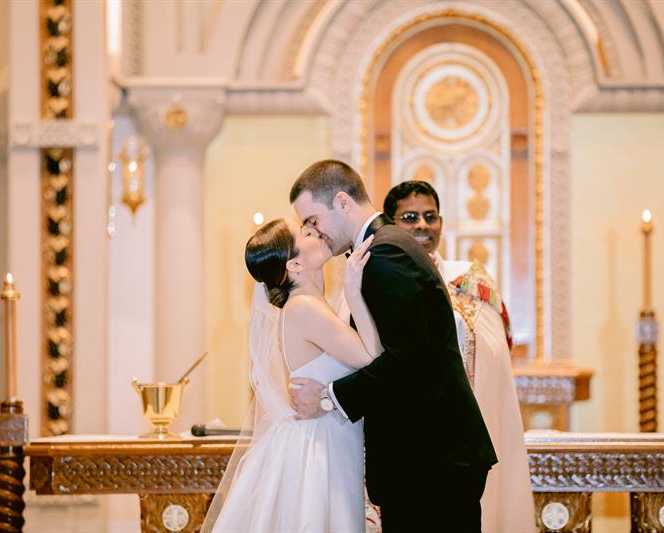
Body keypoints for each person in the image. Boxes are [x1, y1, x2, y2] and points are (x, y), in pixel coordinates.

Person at [289, 160, 497, 532]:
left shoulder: (387, 255)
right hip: (427, 457)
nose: (313, 233)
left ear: (341, 201)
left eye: (312, 220)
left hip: (431, 461)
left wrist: (328, 398)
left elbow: (407, 360)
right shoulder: (383, 248)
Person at [202, 218, 380, 532]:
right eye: (307, 233)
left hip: (326, 437)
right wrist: (354, 291)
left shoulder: (309, 306)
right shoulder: (304, 309)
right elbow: (370, 357)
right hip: (319, 447)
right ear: (295, 263)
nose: (318, 232)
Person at [383, 180, 535, 533]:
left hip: (461, 443)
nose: (422, 224)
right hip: (404, 442)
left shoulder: (469, 279)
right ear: (391, 225)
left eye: (430, 216)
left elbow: (494, 351)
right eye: (410, 216)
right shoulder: (377, 277)